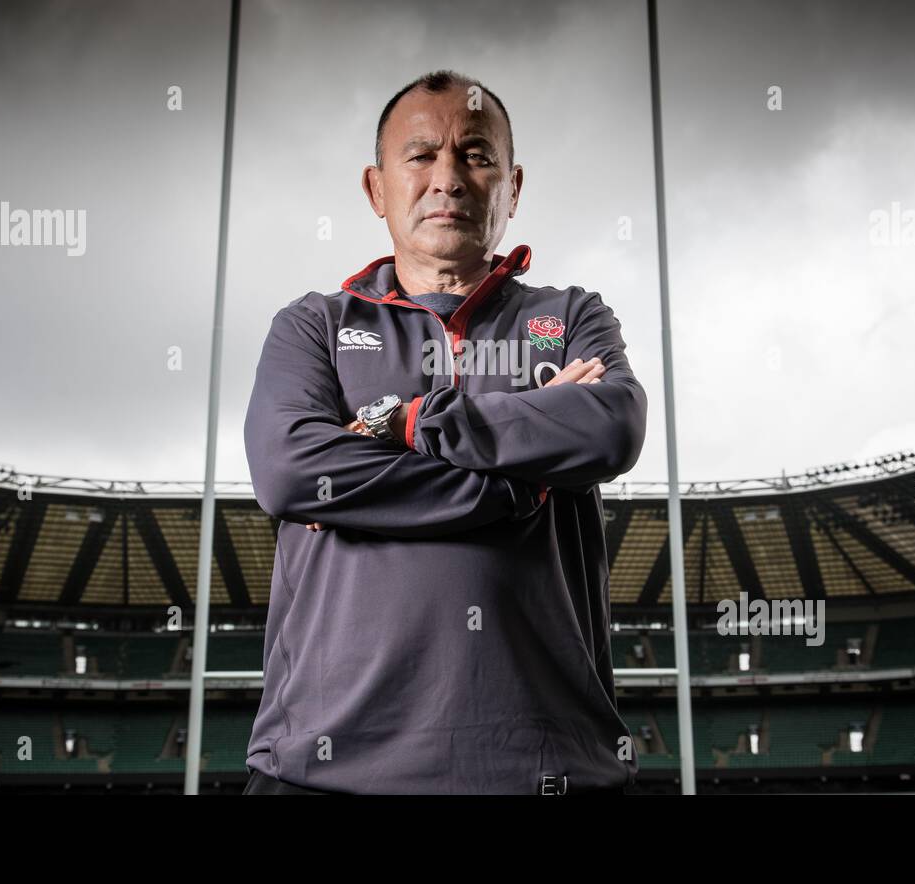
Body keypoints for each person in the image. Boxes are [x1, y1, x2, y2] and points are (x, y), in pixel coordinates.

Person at [242, 70, 646, 795]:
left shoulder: (573, 314)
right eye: (421, 155)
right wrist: (518, 481)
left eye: (476, 156)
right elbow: (290, 470)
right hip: (321, 771)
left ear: (512, 187)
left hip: (552, 769)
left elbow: (611, 428)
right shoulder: (315, 325)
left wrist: (404, 422)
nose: (448, 179)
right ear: (376, 188)